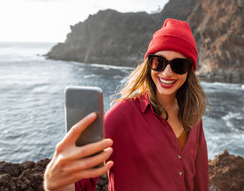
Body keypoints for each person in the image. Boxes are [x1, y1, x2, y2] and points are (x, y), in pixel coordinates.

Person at [44, 18, 209, 191]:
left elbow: (199, 175)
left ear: (190, 70)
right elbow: (80, 182)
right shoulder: (122, 115)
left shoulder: (193, 114)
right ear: (148, 64)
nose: (167, 73)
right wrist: (55, 182)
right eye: (158, 62)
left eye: (179, 65)